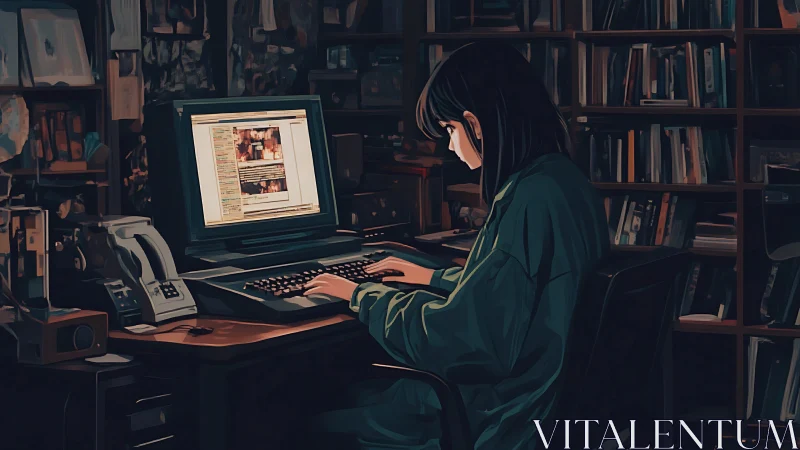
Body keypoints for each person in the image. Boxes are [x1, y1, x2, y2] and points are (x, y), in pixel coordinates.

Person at [299, 42, 610, 449]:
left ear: (476, 124)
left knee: (314, 415)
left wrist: (361, 295)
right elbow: (522, 293)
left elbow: (458, 340)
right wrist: (434, 277)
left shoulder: (528, 202)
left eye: (449, 130)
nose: (449, 144)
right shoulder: (561, 181)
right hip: (537, 405)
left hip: (498, 420)